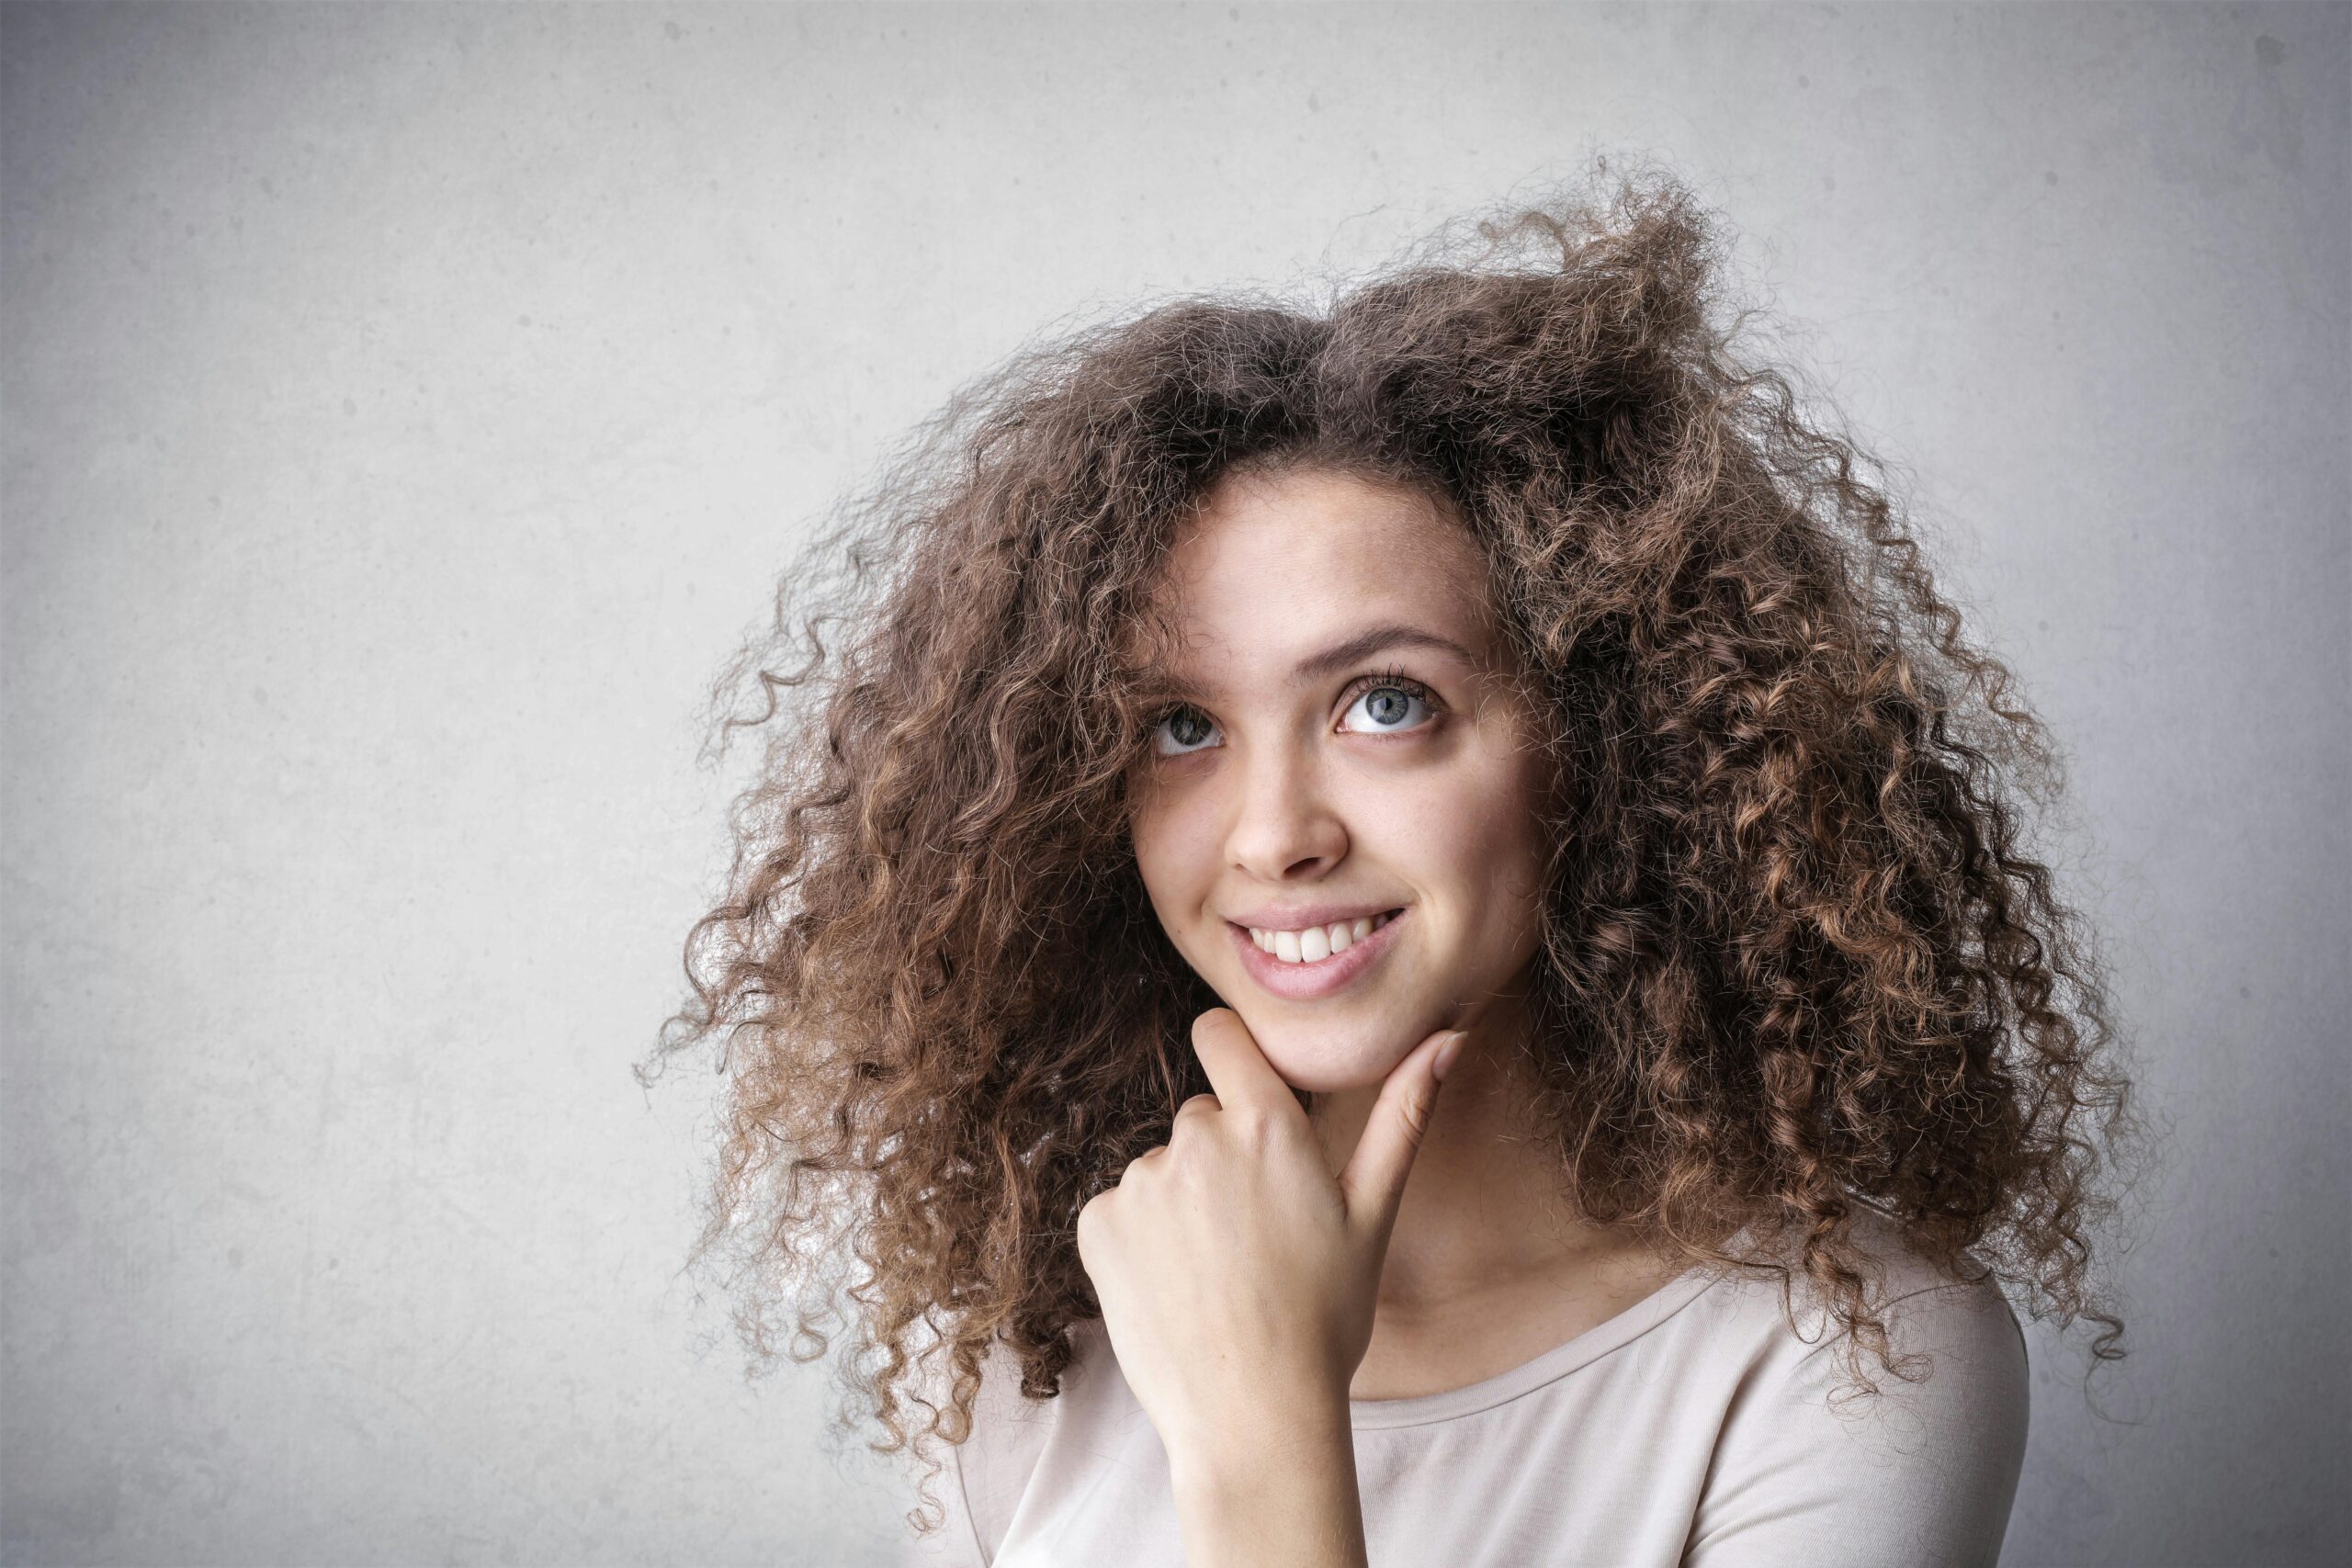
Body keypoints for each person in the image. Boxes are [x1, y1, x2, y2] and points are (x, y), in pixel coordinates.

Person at [645, 164, 2136, 1567]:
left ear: (1604, 741)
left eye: (1386, 704)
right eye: (1181, 725)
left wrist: (1260, 1436)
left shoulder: (1848, 1363)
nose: (1274, 832)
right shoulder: (1037, 1339)